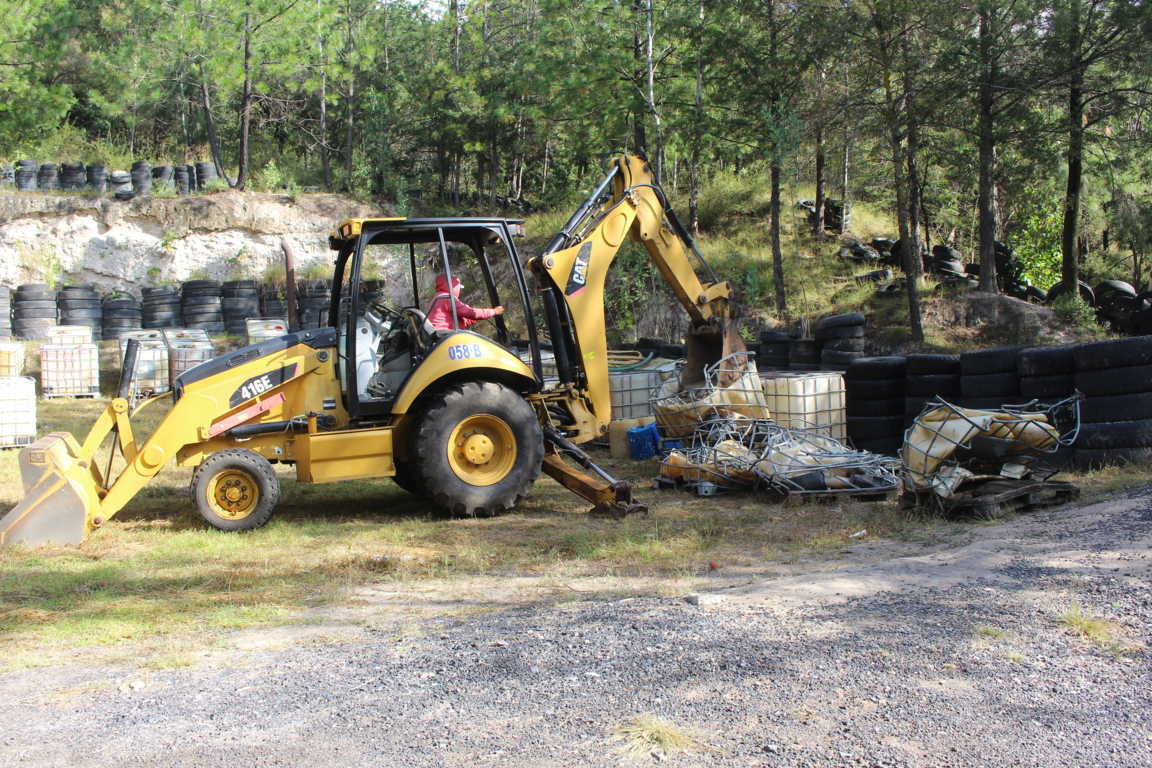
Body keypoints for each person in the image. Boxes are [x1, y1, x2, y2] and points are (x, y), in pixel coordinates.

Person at [426, 273, 504, 331]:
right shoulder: (447, 299)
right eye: (458, 287)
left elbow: (459, 319)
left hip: (440, 336)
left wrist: (477, 317)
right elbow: (471, 313)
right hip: (446, 336)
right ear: (454, 286)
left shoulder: (438, 298)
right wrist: (494, 311)